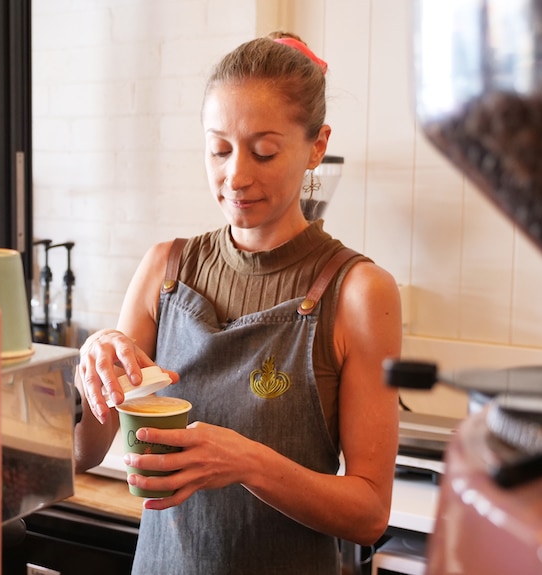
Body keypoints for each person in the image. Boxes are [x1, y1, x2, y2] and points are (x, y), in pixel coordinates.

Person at [73, 31, 401, 575]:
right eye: (219, 149)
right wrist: (94, 366)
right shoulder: (165, 269)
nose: (236, 176)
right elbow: (85, 452)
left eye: (264, 151)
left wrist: (248, 462)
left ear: (316, 145)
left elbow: (368, 513)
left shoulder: (358, 291)